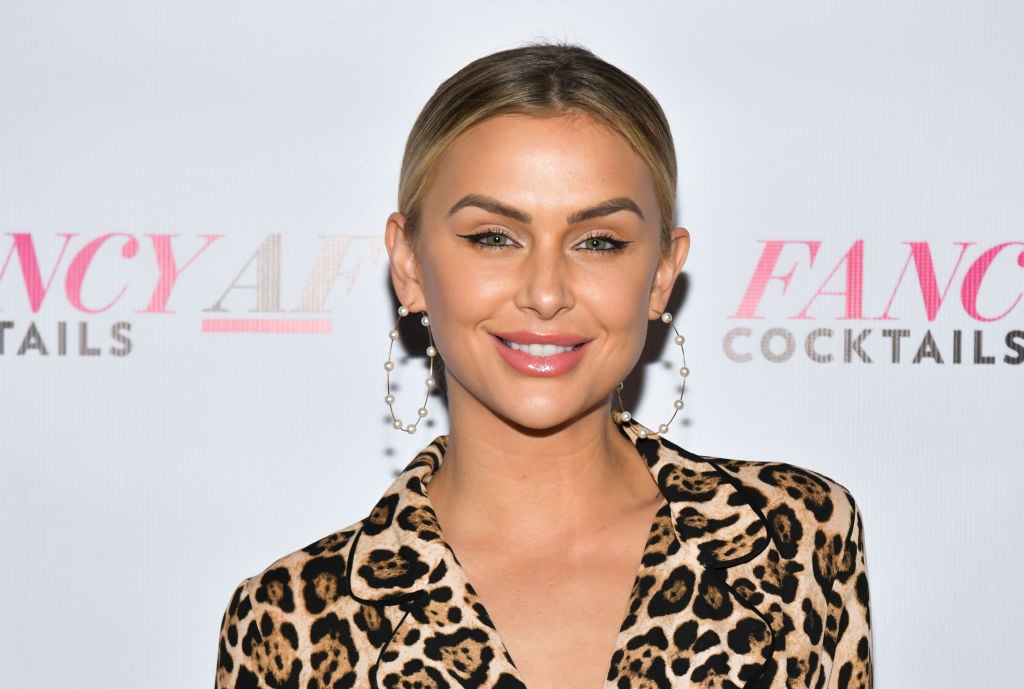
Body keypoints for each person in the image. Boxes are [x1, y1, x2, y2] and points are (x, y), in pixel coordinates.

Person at [215, 44, 871, 689]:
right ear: (409, 264)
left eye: (599, 242)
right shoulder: (289, 620)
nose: (547, 292)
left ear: (661, 274)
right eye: (494, 237)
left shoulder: (796, 538)